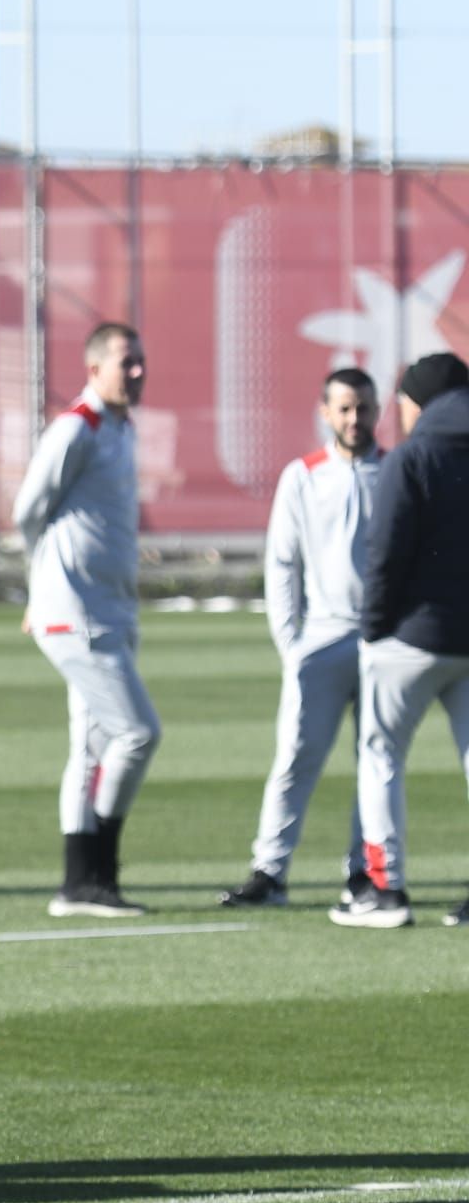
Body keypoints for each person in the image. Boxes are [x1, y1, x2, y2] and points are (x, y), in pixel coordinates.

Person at [221, 368, 383, 909]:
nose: (354, 419)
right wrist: (290, 643)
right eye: (345, 408)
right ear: (325, 412)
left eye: (363, 407)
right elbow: (282, 564)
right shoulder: (304, 476)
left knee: (376, 761)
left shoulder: (395, 471)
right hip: (321, 640)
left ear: (377, 410)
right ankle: (269, 871)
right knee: (295, 756)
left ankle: (365, 872)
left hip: (381, 642)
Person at [14, 322, 160, 919]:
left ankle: (81, 884)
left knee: (93, 746)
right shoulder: (77, 427)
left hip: (111, 608)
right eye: (126, 362)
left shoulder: (121, 429)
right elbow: (28, 510)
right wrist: (43, 585)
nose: (138, 371)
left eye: (141, 360)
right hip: (75, 612)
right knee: (137, 733)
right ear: (95, 368)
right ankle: (99, 866)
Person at [346, 352, 469, 929]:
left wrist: (373, 628)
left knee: (380, 758)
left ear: (417, 402)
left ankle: (385, 891)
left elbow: (386, 553)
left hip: (412, 641)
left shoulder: (412, 456)